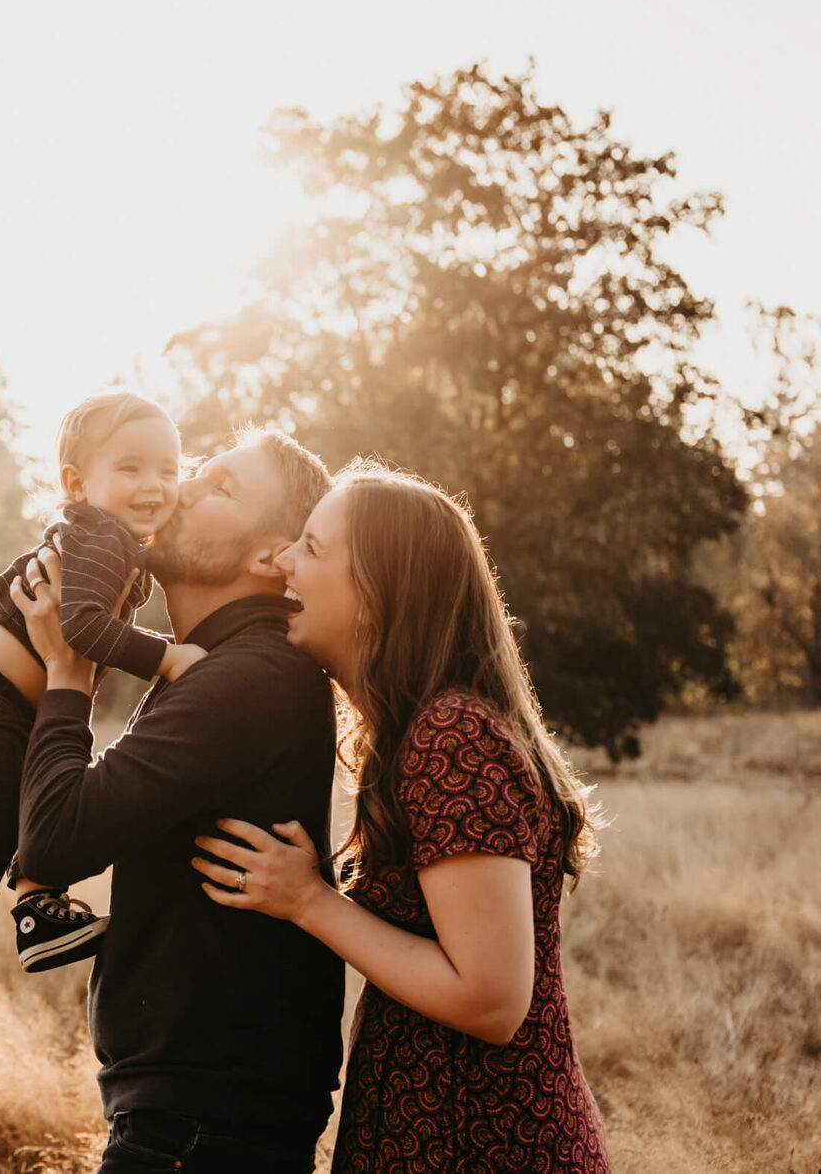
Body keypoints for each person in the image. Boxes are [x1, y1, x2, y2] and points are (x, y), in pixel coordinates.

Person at [191, 460, 612, 1171]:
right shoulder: (416, 731)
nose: (287, 560)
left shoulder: (450, 735)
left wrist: (307, 900)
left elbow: (491, 999)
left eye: (314, 548)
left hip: (483, 1147)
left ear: (378, 598)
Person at [9, 428, 345, 1173]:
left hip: (202, 1133)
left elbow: (54, 841)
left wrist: (69, 670)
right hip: (197, 1123)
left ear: (270, 556)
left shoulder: (251, 678)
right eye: (195, 470)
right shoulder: (221, 667)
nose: (179, 487)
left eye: (218, 487)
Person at [0, 391, 209, 1024]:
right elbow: (83, 626)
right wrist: (168, 658)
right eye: (131, 469)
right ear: (76, 482)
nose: (155, 485)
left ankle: (38, 911)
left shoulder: (115, 540)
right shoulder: (99, 538)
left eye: (169, 471)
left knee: (30, 807)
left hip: (5, 704)